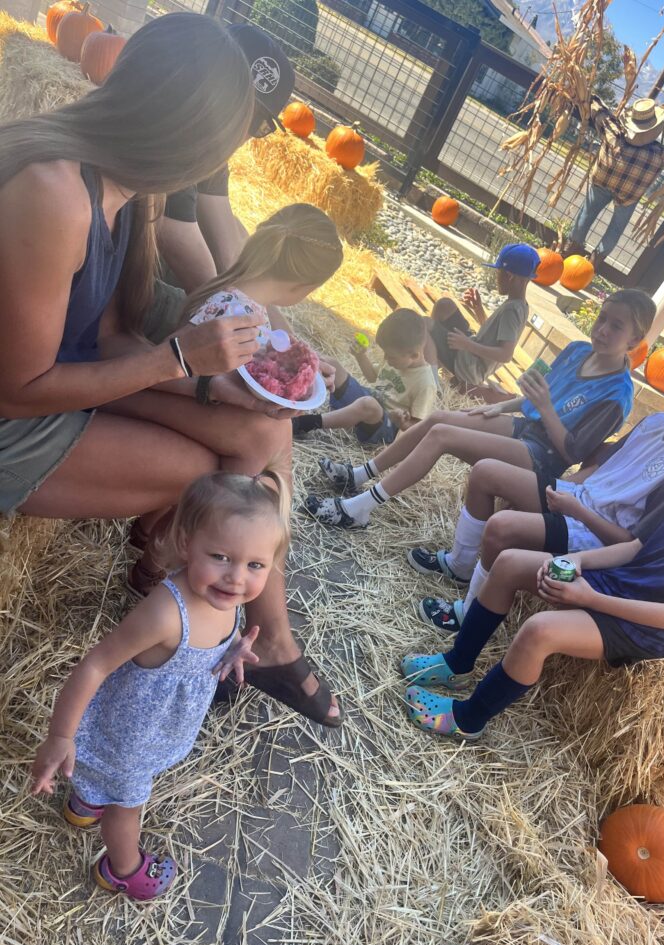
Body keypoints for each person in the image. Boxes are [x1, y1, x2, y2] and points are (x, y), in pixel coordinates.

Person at [0, 12, 340, 727]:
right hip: (14, 419)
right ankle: (216, 624)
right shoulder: (56, 193)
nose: (223, 166)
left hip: (65, 376)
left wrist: (245, 373)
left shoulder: (120, 189)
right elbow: (20, 388)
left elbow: (110, 333)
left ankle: (248, 629)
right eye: (225, 146)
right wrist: (183, 362)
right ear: (188, 134)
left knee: (252, 436)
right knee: (212, 471)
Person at [400, 427, 664, 741]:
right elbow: (634, 549)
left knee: (539, 630)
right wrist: (577, 560)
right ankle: (458, 662)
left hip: (648, 625)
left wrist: (589, 597)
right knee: (510, 562)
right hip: (621, 581)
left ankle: (469, 719)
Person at [30, 473, 290, 900]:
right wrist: (60, 735)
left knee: (109, 783)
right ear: (186, 543)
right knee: (126, 807)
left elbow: (204, 649)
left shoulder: (223, 599)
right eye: (221, 556)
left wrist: (230, 652)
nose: (236, 578)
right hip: (131, 736)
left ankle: (84, 803)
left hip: (154, 727)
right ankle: (122, 868)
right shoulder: (167, 614)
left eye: (255, 565)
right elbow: (96, 664)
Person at [412, 349, 664, 631]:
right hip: (579, 499)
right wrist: (559, 490)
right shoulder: (658, 422)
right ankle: (460, 565)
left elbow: (631, 544)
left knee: (503, 527)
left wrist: (574, 509)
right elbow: (601, 469)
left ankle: (466, 614)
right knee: (487, 473)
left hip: (595, 535)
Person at [129, 203, 344, 599]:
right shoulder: (241, 316)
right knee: (246, 465)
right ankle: (164, 556)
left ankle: (152, 532)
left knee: (261, 445)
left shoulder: (226, 292)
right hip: (158, 390)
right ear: (304, 290)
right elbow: (180, 367)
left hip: (175, 389)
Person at [304, 290, 649, 530]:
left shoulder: (617, 395)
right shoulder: (576, 350)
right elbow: (533, 398)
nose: (603, 329)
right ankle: (359, 475)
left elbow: (572, 451)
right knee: (439, 418)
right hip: (525, 428)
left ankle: (360, 508)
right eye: (602, 318)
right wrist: (499, 408)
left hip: (543, 458)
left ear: (635, 341)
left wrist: (542, 407)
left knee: (441, 435)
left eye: (616, 326)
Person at [157, 24, 296, 293]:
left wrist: (282, 331)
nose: (240, 126)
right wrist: (248, 315)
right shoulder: (175, 143)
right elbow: (206, 281)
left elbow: (231, 259)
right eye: (233, 100)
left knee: (238, 230)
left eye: (257, 121)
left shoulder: (210, 155)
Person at [564, 97, 664, 272]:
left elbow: (601, 113)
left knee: (587, 213)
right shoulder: (660, 154)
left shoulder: (614, 133)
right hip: (629, 195)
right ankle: (591, 266)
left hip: (602, 181)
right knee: (615, 229)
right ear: (655, 129)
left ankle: (570, 251)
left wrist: (592, 98)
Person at [291, 309, 436, 445]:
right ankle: (291, 386)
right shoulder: (397, 358)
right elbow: (373, 377)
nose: (386, 358)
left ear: (414, 355)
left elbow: (418, 426)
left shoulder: (425, 383)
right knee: (332, 365)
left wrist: (403, 422)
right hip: (368, 402)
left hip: (384, 426)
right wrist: (360, 356)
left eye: (391, 356)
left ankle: (304, 423)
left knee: (368, 404)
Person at [425, 243, 539, 387]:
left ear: (509, 276)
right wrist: (478, 309)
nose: (497, 277)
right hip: (471, 350)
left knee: (424, 324)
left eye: (498, 273)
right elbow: (494, 337)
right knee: (444, 305)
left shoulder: (511, 311)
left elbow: (505, 354)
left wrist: (467, 344)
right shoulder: (520, 305)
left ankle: (431, 383)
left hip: (468, 367)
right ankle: (436, 359)